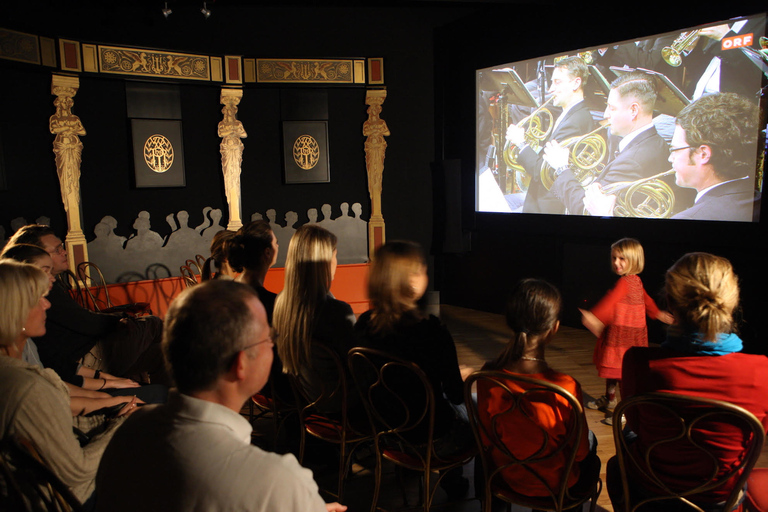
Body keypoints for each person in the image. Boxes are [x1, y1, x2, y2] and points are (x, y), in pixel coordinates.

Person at [96, 280, 346, 512]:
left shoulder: (129, 431)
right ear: (240, 364)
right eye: (269, 339)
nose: (274, 345)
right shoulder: (278, 480)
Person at [607, 252, 768, 508]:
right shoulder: (761, 371)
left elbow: (636, 423)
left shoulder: (638, 361)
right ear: (732, 301)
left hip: (651, 488)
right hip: (718, 499)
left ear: (669, 302)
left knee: (619, 457)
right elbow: (754, 438)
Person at [0, 260, 136, 508]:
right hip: (72, 499)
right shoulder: (26, 387)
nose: (47, 304)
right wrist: (120, 425)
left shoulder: (13, 370)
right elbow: (77, 471)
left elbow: (56, 421)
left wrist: (111, 415)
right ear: (13, 311)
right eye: (38, 299)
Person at [354, 240, 473, 497]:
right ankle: (454, 481)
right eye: (421, 269)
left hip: (384, 435)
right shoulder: (431, 331)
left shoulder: (363, 325)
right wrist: (464, 379)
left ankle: (411, 469)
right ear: (410, 279)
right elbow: (455, 394)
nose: (426, 274)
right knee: (474, 407)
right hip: (431, 441)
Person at [0, 243, 165, 410]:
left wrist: (109, 385)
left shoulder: (28, 343)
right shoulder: (17, 375)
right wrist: (109, 391)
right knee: (153, 324)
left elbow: (60, 379)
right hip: (86, 369)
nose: (46, 305)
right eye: (44, 271)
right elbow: (59, 393)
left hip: (83, 376)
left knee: (163, 353)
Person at [477, 278, 600, 498]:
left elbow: (486, 440)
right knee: (591, 444)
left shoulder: (487, 377)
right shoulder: (566, 388)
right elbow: (580, 454)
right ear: (554, 328)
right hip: (555, 484)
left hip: (506, 478)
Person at [547, 73, 670, 215]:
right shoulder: (657, 142)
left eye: (612, 108)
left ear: (633, 110)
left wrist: (562, 168)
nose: (606, 115)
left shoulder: (631, 162)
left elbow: (585, 210)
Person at [580, 238, 673, 425]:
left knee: (624, 376)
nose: (616, 263)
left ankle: (626, 411)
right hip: (624, 335)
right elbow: (645, 300)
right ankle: (610, 399)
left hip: (625, 338)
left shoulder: (628, 282)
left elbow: (612, 300)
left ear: (634, 259)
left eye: (622, 259)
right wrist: (657, 313)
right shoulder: (634, 281)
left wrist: (595, 317)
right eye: (614, 258)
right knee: (615, 372)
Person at [272, 224, 356, 413]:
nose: (337, 262)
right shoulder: (336, 311)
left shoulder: (281, 303)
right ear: (325, 261)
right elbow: (360, 366)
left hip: (308, 400)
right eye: (335, 255)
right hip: (344, 406)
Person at [505, 56, 596, 214]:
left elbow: (543, 172)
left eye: (557, 82)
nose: (550, 89)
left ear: (576, 83)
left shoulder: (575, 122)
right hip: (538, 198)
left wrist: (521, 144)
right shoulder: (570, 115)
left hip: (544, 207)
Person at [668, 92, 760, 222]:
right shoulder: (756, 201)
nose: (670, 158)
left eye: (674, 150)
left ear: (703, 154)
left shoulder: (688, 220)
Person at [229, 220, 279, 322]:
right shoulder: (270, 303)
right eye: (275, 243)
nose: (278, 246)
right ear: (267, 252)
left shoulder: (227, 290)